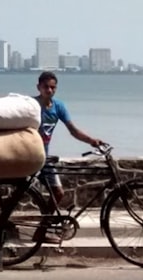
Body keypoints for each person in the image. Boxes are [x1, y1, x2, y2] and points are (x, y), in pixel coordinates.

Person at [34, 70, 104, 208]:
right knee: (21, 190)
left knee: (58, 193)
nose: (49, 90)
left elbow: (72, 130)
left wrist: (91, 141)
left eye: (52, 87)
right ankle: (1, 222)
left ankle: (43, 226)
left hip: (44, 157)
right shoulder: (32, 105)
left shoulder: (58, 106)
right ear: (39, 87)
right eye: (45, 86)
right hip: (30, 155)